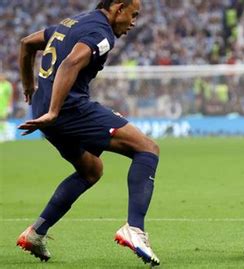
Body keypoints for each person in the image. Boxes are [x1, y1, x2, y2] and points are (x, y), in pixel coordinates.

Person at [16, 0, 160, 266]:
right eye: (133, 14)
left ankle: (36, 232)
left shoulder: (72, 22)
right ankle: (135, 229)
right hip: (67, 110)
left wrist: (29, 87)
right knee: (147, 149)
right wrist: (54, 111)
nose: (134, 23)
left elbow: (27, 43)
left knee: (91, 170)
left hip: (45, 111)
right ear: (118, 8)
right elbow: (70, 64)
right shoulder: (101, 34)